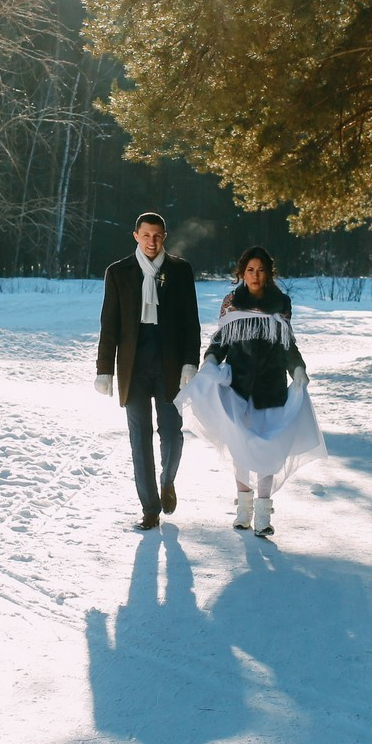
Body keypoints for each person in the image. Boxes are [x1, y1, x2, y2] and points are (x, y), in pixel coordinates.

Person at [175, 246, 326, 536]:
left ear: (269, 273)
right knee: (241, 447)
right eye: (250, 270)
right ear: (241, 273)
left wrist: (297, 369)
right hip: (238, 388)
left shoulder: (281, 302)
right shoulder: (232, 302)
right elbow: (221, 341)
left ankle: (263, 515)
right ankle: (243, 510)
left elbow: (287, 344)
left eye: (261, 270)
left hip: (271, 388)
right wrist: (209, 361)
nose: (255, 276)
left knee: (268, 449)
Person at [96, 213, 202, 530]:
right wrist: (105, 370)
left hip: (169, 363)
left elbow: (190, 323)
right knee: (138, 438)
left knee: (171, 433)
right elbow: (109, 326)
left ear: (164, 237)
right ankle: (150, 508)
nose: (151, 241)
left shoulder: (180, 271)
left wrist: (189, 362)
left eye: (157, 235)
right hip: (133, 365)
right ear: (136, 236)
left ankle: (167, 480)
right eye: (146, 235)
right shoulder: (118, 272)